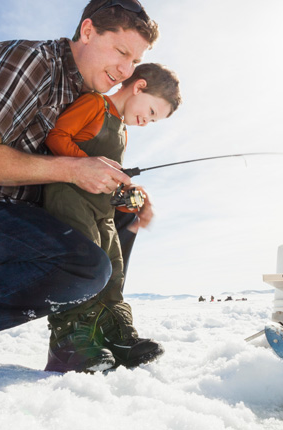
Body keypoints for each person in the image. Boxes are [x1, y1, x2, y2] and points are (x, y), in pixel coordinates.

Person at [0, 0, 159, 373]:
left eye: (134, 61)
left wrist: (122, 194)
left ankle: (84, 337)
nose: (125, 69)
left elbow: (72, 175)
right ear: (87, 31)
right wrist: (73, 169)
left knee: (119, 221)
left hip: (18, 217)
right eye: (121, 51)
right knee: (82, 266)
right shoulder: (29, 61)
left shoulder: (86, 97)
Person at [42, 63, 180, 372]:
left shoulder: (123, 130)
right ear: (139, 87)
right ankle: (70, 344)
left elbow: (106, 175)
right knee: (85, 265)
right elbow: (57, 137)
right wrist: (88, 165)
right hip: (68, 198)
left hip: (101, 209)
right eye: (152, 112)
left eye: (154, 120)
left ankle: (115, 337)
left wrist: (125, 194)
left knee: (113, 267)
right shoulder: (94, 103)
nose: (148, 121)